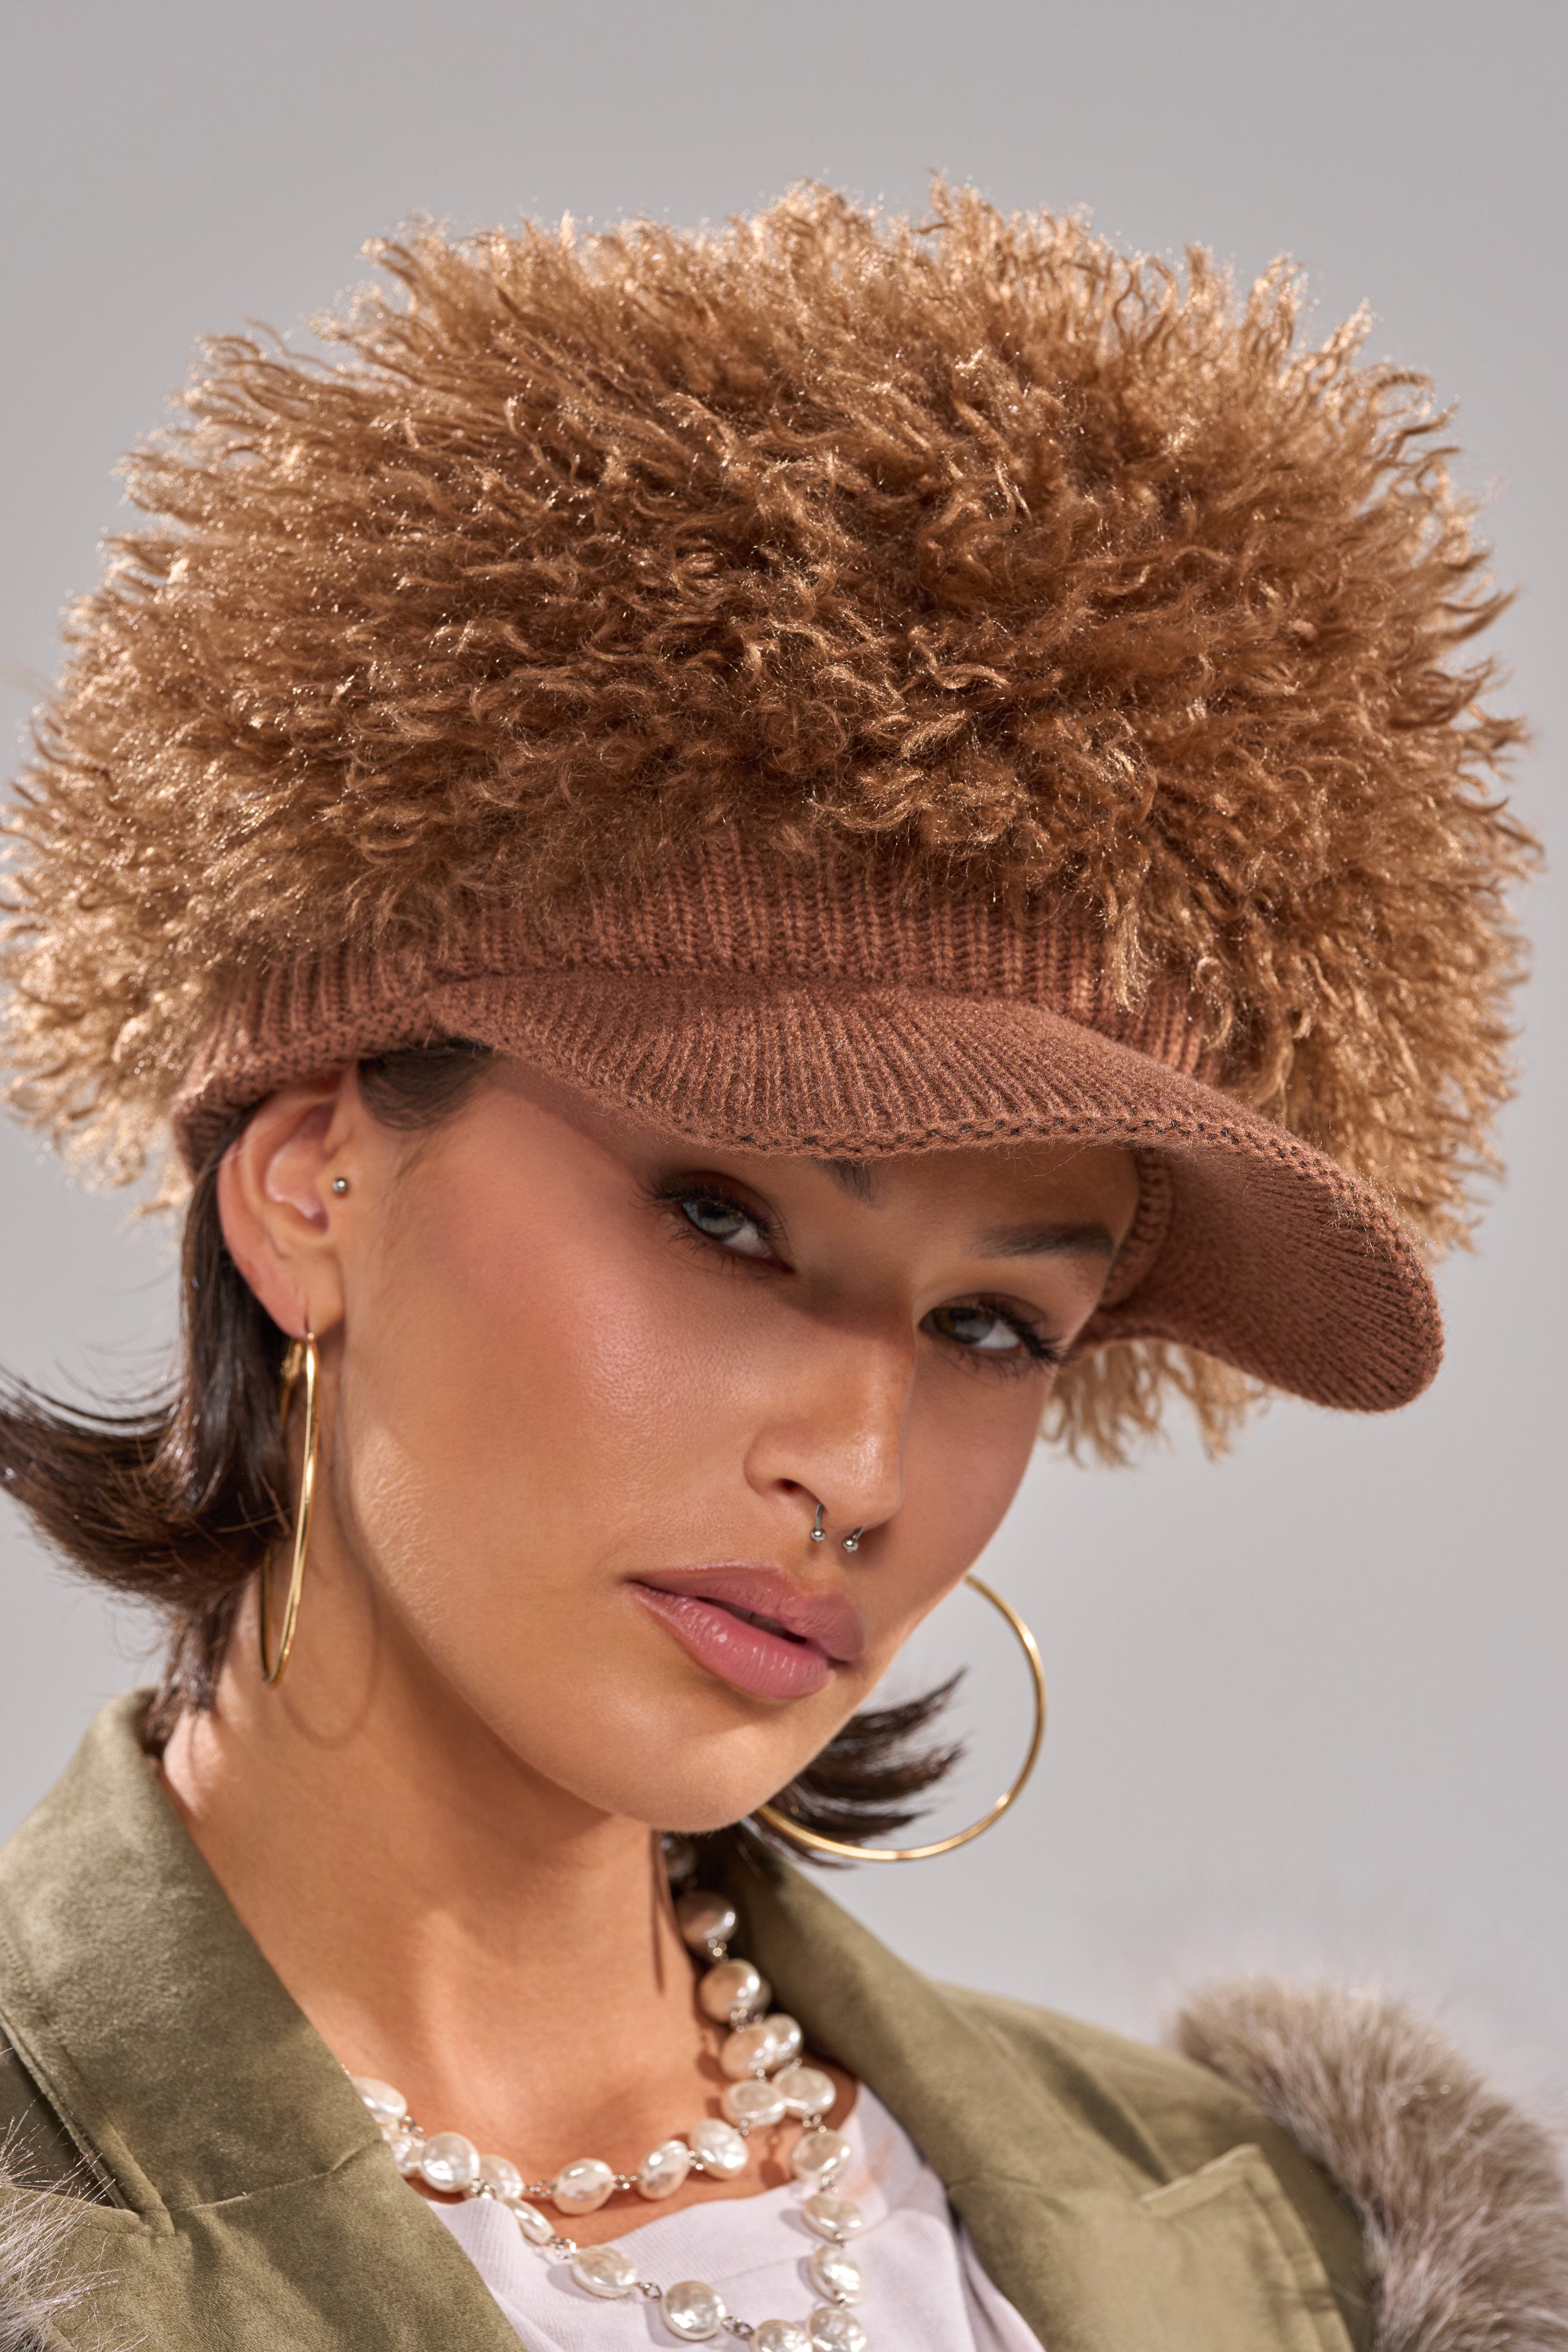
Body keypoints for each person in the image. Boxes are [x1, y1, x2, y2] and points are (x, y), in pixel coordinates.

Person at [0, 185, 1555, 2352]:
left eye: (995, 1325)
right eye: (728, 1221)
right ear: (312, 1184)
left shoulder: (1301, 2266)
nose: (860, 1455)